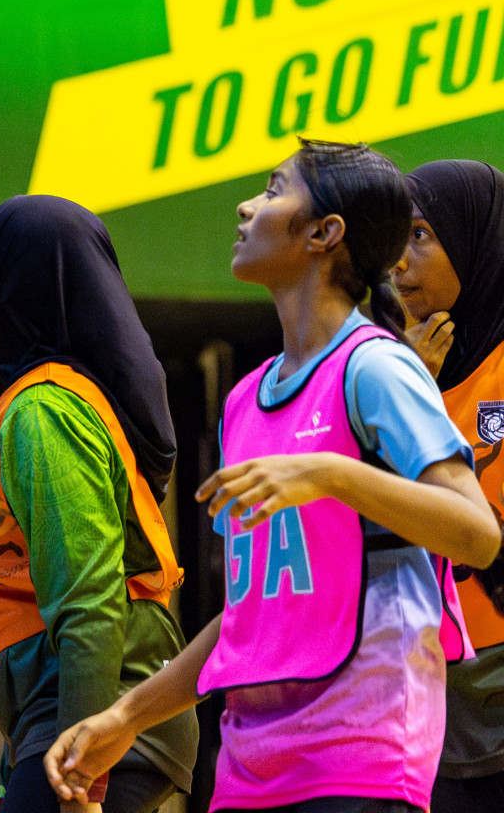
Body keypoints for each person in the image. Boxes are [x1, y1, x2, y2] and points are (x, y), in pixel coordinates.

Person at [43, 141, 501, 813]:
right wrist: (125, 717)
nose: (246, 205)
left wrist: (331, 474)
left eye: (272, 189)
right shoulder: (244, 402)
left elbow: (477, 532)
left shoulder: (376, 369)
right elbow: (252, 615)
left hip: (360, 762)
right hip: (249, 770)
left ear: (325, 233)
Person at [0, 195, 197, 813]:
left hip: (99, 711)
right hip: (67, 710)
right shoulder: (41, 400)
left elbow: (88, 602)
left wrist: (80, 776)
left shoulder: (47, 411)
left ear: (13, 283)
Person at [394, 159, 504, 813]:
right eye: (396, 240)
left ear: (473, 240)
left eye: (422, 235)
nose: (400, 263)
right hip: (422, 699)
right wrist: (412, 390)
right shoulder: (388, 368)